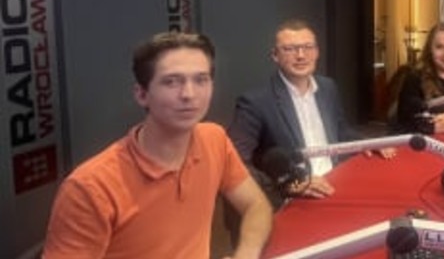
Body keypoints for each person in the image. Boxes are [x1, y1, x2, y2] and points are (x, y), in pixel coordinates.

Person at [42, 32, 273, 259]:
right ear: (142, 95)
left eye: (200, 80)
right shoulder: (90, 187)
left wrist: (246, 254)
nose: (189, 94)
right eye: (171, 82)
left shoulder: (214, 139)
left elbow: (256, 205)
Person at [228, 19, 395, 209]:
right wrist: (288, 185)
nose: (301, 55)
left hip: (334, 186)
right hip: (294, 201)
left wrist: (369, 143)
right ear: (275, 55)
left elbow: (341, 132)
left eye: (308, 47)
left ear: (317, 52)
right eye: (289, 49)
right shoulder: (255, 102)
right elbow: (233, 162)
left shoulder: (328, 87)